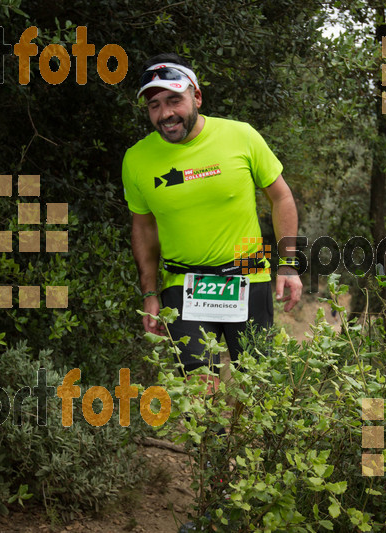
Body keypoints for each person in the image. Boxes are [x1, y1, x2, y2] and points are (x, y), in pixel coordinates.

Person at [122, 52, 302, 375]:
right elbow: (144, 230)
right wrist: (149, 293)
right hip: (183, 279)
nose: (166, 113)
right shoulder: (136, 159)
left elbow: (282, 198)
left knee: (255, 387)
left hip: (248, 271)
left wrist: (288, 264)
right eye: (154, 106)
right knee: (198, 391)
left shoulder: (241, 137)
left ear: (197, 97)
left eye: (174, 100)